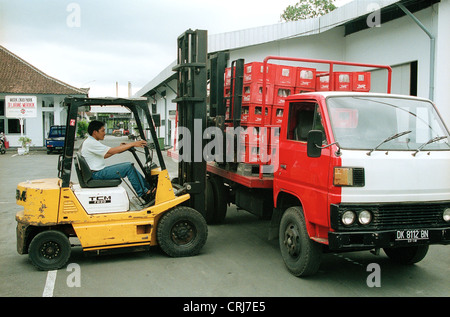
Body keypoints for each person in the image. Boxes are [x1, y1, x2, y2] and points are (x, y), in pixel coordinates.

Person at [81, 120, 152, 203]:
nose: (104, 133)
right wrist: (132, 144)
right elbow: (111, 151)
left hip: (96, 172)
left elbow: (106, 154)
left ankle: (148, 189)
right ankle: (145, 193)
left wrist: (121, 148)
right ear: (95, 132)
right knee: (128, 167)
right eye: (102, 131)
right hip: (96, 174)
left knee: (129, 166)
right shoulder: (91, 143)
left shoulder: (90, 142)